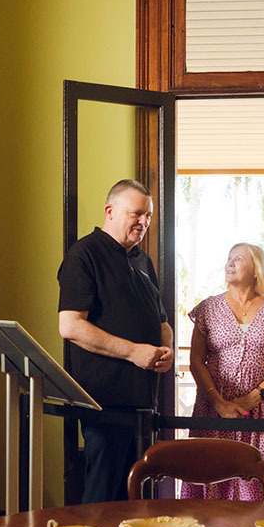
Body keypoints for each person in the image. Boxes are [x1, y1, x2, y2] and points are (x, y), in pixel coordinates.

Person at [57, 179, 173, 503]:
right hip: (104, 402)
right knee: (102, 499)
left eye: (148, 216)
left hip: (143, 403)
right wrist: (134, 352)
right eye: (137, 213)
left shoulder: (142, 260)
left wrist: (167, 349)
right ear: (110, 211)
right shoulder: (84, 255)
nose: (144, 222)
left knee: (135, 500)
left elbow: (161, 321)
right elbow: (70, 326)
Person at [181, 243, 264, 503]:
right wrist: (218, 402)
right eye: (229, 258)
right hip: (214, 409)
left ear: (256, 270)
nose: (230, 264)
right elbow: (196, 361)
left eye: (238, 259)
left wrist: (255, 397)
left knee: (261, 482)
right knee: (212, 479)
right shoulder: (207, 308)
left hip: (263, 411)